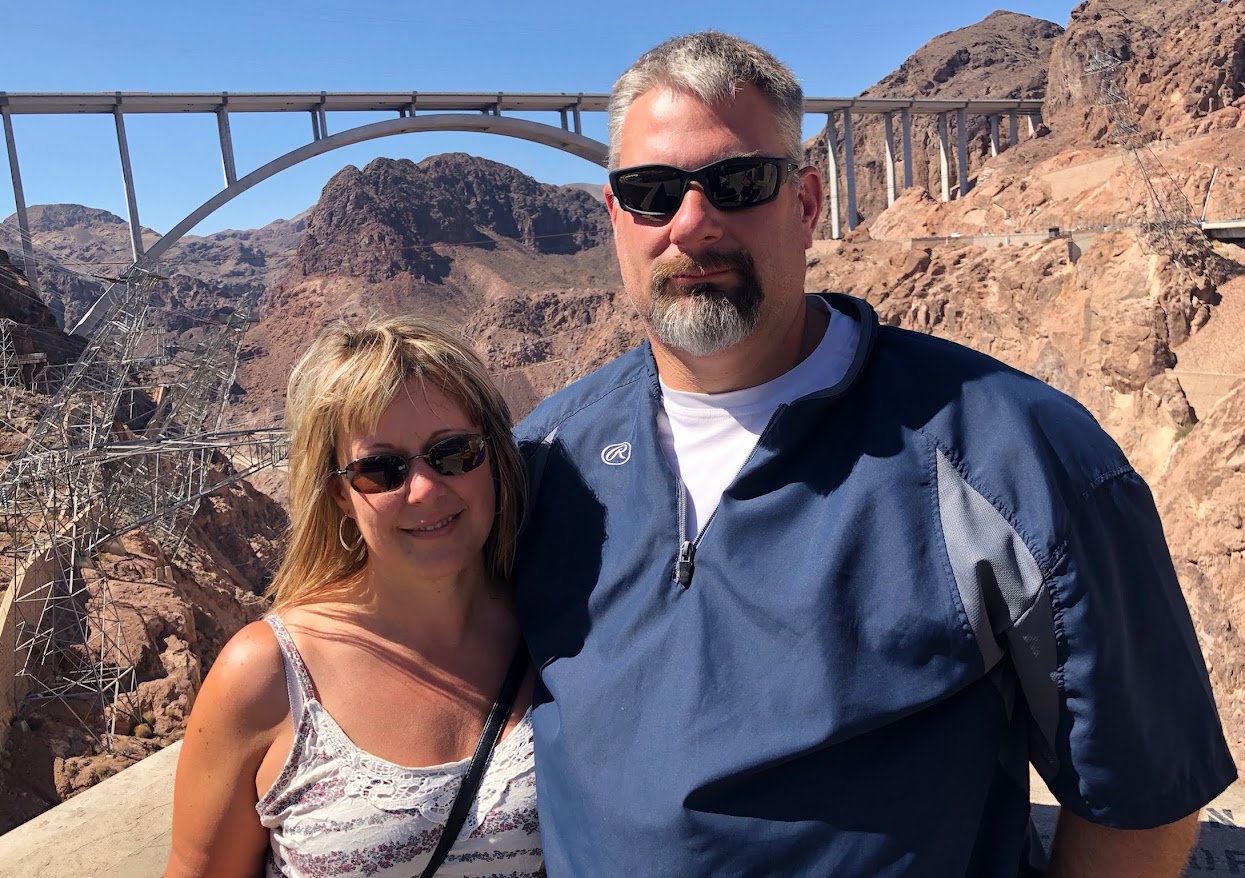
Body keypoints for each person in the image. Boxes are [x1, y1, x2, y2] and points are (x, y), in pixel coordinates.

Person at [512, 31, 1237, 877]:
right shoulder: (545, 458)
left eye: (737, 184)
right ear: (614, 216)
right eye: (651, 193)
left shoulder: (1014, 456)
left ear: (806, 204)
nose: (692, 224)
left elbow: (1140, 795)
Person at [166, 317, 542, 877]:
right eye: (381, 470)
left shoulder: (555, 629)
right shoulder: (267, 676)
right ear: (340, 494)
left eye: (454, 453)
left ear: (492, 458)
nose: (425, 489)